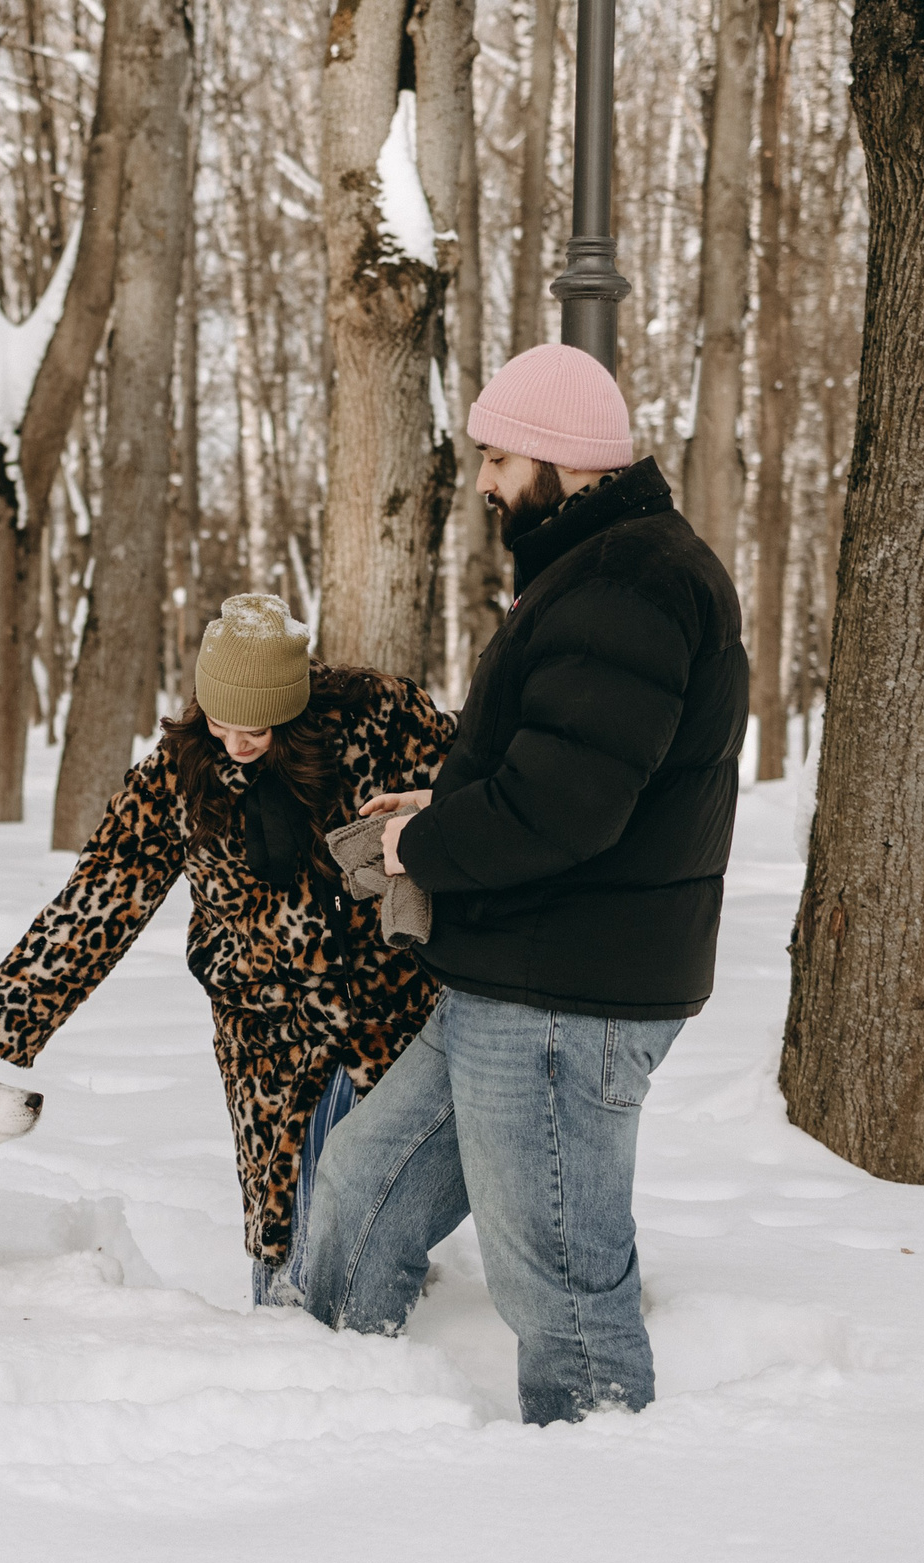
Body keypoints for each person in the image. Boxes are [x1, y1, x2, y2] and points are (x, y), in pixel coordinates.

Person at [299, 342, 749, 1424]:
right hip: (509, 974)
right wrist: (435, 809)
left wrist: (420, 852)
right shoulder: (595, 571)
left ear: (558, 459)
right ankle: (328, 1415)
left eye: (498, 457)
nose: (488, 482)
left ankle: (594, 1494)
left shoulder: (628, 584)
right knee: (360, 1194)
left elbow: (566, 809)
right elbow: (558, 763)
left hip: (564, 996)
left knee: (552, 1280)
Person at [0, 593, 453, 1303]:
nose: (238, 741)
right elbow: (104, 888)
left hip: (384, 1011)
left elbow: (482, 775)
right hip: (263, 1030)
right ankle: (288, 1341)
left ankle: (363, 1323)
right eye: (222, 720)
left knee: (359, 1192)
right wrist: (6, 1016)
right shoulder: (178, 770)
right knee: (282, 1224)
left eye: (256, 725)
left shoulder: (377, 717)